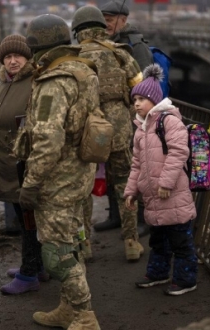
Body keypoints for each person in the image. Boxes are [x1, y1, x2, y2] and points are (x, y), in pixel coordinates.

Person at [15, 13, 100, 329]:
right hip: (78, 175)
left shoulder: (54, 82)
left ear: (38, 46)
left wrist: (31, 182)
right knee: (73, 243)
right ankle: (68, 307)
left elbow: (48, 139)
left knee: (57, 253)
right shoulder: (82, 71)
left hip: (57, 181)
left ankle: (84, 315)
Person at [71, 5, 144, 261]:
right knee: (124, 182)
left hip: (87, 129)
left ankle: (85, 245)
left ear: (78, 30)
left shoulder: (71, 57)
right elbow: (140, 89)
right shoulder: (121, 54)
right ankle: (132, 242)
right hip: (119, 127)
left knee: (85, 187)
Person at [0, 34, 49, 295]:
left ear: (27, 57)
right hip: (5, 162)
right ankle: (38, 265)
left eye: (17, 56)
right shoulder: (3, 83)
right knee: (24, 218)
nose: (12, 61)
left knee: (29, 216)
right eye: (8, 57)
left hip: (24, 162)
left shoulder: (34, 82)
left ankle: (29, 273)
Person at [124, 64, 198, 296]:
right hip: (153, 198)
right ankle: (158, 273)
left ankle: (187, 280)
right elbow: (137, 164)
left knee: (180, 242)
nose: (136, 103)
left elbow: (179, 153)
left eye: (142, 99)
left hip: (172, 194)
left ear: (154, 100)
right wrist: (131, 191)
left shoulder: (169, 122)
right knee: (158, 241)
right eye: (134, 99)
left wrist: (165, 183)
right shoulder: (141, 129)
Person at [96, 0, 153, 237]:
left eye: (111, 19)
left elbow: (146, 85)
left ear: (123, 20)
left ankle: (142, 218)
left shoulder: (135, 46)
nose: (107, 24)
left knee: (135, 168)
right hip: (110, 120)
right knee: (111, 167)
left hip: (133, 117)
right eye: (104, 19)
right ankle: (116, 215)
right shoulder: (104, 44)